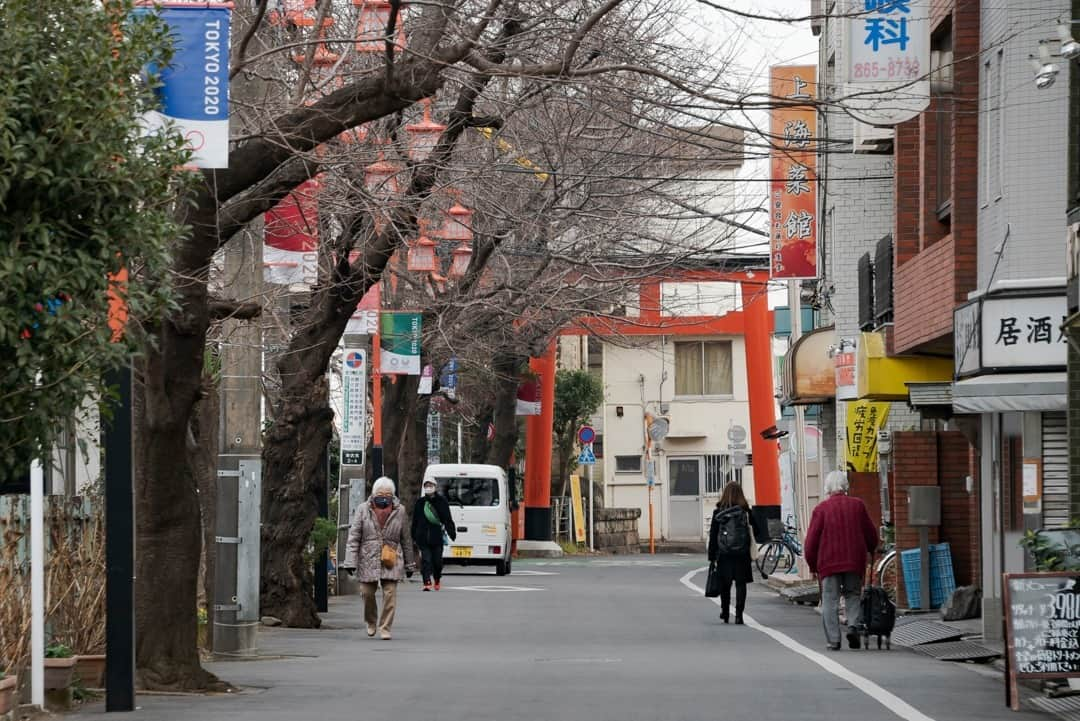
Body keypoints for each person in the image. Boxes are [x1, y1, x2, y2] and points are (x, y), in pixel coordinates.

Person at [804, 470, 879, 651]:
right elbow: (871, 534)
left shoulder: (821, 509)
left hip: (829, 563)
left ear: (827, 488)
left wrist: (813, 565)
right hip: (854, 561)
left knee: (830, 600)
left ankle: (834, 640)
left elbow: (811, 542)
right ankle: (853, 625)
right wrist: (871, 548)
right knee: (853, 594)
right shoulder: (858, 505)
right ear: (846, 487)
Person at [342, 477, 415, 640]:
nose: (383, 497)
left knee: (390, 593)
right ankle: (371, 621)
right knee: (366, 593)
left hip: (390, 557)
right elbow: (354, 537)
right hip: (368, 557)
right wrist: (350, 561)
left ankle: (385, 627)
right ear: (374, 494)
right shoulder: (363, 509)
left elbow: (406, 539)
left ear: (392, 495)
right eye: (380, 494)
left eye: (387, 494)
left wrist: (410, 565)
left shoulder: (400, 511)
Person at [707, 482, 755, 624]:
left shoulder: (719, 513)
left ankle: (725, 612)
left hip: (724, 554)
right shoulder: (746, 512)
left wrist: (712, 556)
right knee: (741, 584)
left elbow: (714, 536)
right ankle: (739, 615)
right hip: (742, 554)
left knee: (725, 585)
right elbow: (756, 531)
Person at [411, 478, 457, 591]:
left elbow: (447, 519)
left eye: (430, 485)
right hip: (423, 537)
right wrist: (413, 535)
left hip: (437, 537)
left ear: (435, 486)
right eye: (426, 485)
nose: (428, 487)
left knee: (437, 562)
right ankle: (426, 582)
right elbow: (415, 520)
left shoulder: (442, 501)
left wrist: (452, 533)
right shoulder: (420, 503)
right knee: (426, 560)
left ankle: (437, 579)